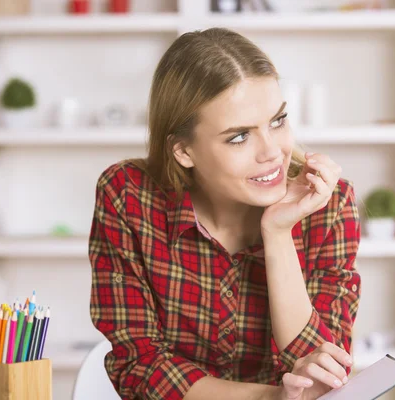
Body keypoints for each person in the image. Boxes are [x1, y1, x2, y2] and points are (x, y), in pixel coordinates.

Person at [88, 27, 362, 400]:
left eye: (277, 121)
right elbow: (140, 365)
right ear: (184, 151)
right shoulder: (128, 196)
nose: (272, 152)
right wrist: (270, 398)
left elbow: (321, 371)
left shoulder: (326, 204)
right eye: (239, 137)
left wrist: (278, 234)